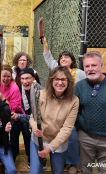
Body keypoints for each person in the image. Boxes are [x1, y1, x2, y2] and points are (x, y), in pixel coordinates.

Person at [41, 36, 86, 173]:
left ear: (72, 60)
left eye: (67, 57)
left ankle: (73, 163)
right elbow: (48, 57)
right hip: (57, 108)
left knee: (70, 136)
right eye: (61, 58)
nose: (63, 59)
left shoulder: (79, 73)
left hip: (73, 108)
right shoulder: (57, 70)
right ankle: (64, 160)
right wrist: (45, 42)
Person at [29, 66, 79, 174]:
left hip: (59, 142)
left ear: (68, 81)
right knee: (34, 172)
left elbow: (67, 128)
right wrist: (34, 128)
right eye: (56, 79)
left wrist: (50, 147)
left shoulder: (74, 101)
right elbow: (33, 117)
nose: (60, 82)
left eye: (63, 79)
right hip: (39, 140)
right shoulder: (41, 95)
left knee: (57, 172)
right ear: (51, 80)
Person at [0, 65, 28, 165]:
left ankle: (12, 159)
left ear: (12, 77)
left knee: (14, 140)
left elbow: (14, 108)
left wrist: (3, 99)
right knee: (2, 138)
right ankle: (1, 158)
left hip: (15, 116)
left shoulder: (14, 88)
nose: (6, 79)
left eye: (8, 76)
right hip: (2, 116)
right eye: (4, 76)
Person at [18, 67, 44, 169]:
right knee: (25, 132)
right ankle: (30, 156)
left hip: (38, 117)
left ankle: (42, 158)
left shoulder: (40, 90)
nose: (25, 81)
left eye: (27, 78)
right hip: (27, 113)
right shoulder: (21, 89)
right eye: (22, 79)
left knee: (37, 135)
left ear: (33, 78)